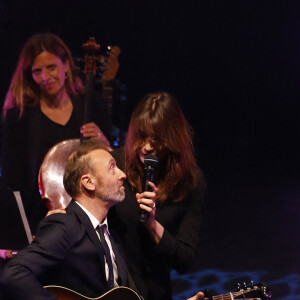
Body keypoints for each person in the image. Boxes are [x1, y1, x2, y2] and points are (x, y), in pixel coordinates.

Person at [1, 33, 112, 244]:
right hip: (39, 221)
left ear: (66, 66)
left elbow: (111, 165)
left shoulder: (92, 104)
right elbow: (11, 180)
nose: (44, 77)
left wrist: (105, 143)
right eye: (37, 71)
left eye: (51, 67)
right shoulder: (20, 115)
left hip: (90, 214)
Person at [0, 139, 133, 299]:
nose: (123, 174)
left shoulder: (111, 233)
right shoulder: (65, 225)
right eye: (112, 168)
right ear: (89, 182)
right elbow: (14, 273)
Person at [108, 91, 207, 299]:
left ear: (172, 139)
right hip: (111, 289)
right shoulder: (115, 164)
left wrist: (153, 225)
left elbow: (185, 260)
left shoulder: (189, 182)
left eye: (156, 140)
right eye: (141, 137)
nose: (146, 147)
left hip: (155, 292)